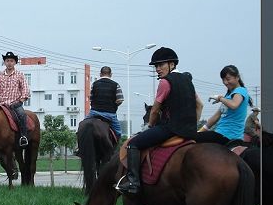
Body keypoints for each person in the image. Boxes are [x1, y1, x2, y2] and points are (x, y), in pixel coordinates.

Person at [116, 47, 203, 194]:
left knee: (133, 144)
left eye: (160, 65)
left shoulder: (165, 82)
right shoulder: (188, 80)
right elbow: (200, 105)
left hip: (170, 129)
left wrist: (150, 126)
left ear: (172, 64)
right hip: (190, 131)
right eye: (156, 66)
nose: (157, 69)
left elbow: (155, 110)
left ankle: (133, 182)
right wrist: (192, 124)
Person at [195, 65, 252, 145]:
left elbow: (234, 105)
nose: (225, 82)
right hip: (221, 133)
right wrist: (199, 132)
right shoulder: (229, 95)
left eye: (228, 79)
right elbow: (215, 117)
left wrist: (220, 98)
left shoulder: (240, 91)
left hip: (228, 135)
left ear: (237, 77)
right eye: (223, 80)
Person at [0, 51, 31, 147]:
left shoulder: (20, 75)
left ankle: (23, 137)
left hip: (15, 103)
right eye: (7, 61)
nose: (9, 63)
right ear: (4, 62)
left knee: (22, 115)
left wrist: (21, 101)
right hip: (1, 103)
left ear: (15, 62)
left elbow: (25, 89)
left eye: (11, 61)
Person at [84, 66, 123, 139]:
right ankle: (116, 149)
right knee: (118, 132)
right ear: (111, 74)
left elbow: (91, 98)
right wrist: (114, 105)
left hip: (94, 113)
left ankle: (78, 147)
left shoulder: (94, 84)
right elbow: (120, 100)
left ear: (100, 74)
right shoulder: (116, 85)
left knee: (81, 127)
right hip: (110, 114)